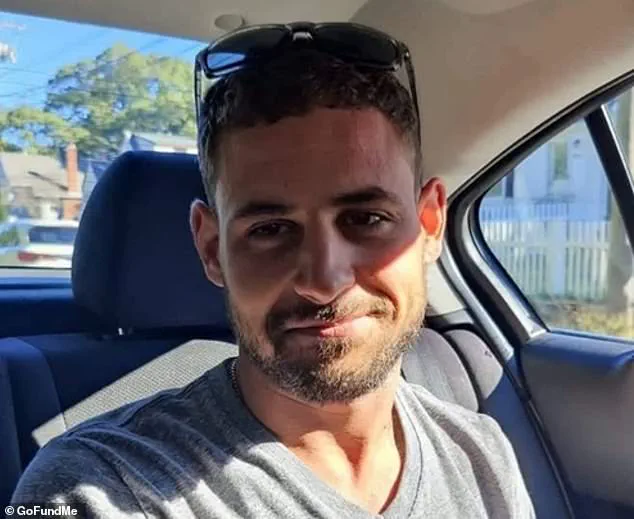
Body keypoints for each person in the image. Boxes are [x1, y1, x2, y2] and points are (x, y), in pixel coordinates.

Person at [12, 22, 535, 518]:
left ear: (429, 225)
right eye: (270, 230)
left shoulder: (481, 455)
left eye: (366, 219)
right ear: (212, 249)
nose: (324, 280)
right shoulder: (94, 488)